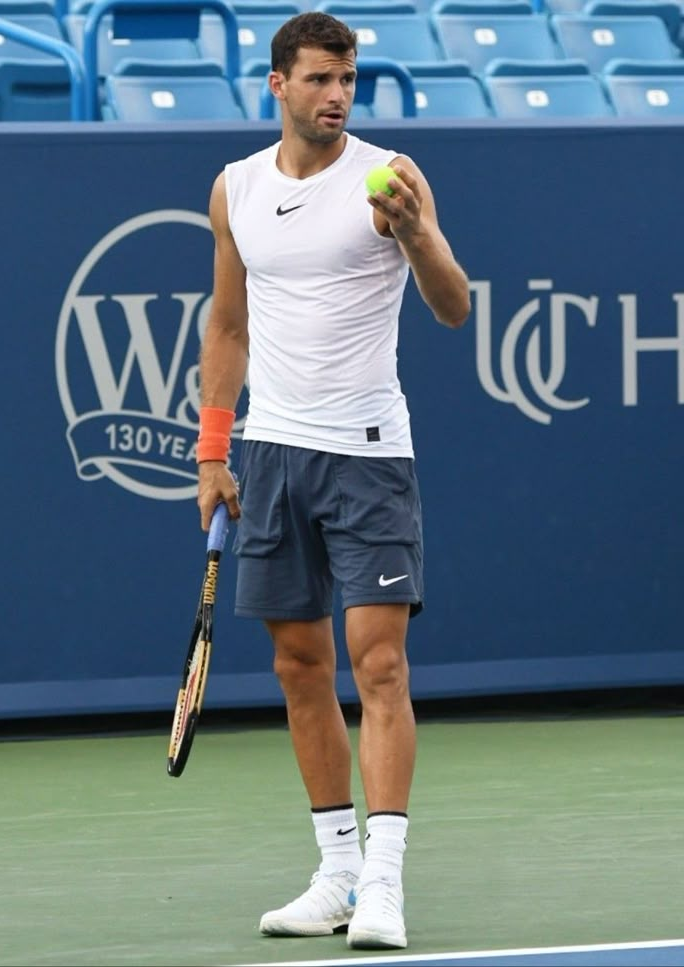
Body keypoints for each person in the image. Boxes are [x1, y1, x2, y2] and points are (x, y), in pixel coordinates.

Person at [194, 10, 470, 951]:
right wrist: (211, 452)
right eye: (318, 79)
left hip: (368, 457)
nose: (337, 95)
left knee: (378, 665)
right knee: (298, 666)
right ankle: (338, 872)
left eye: (348, 78)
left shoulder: (390, 179)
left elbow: (454, 307)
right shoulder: (234, 190)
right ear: (278, 85)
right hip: (270, 457)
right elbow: (226, 328)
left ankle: (386, 886)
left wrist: (421, 234)